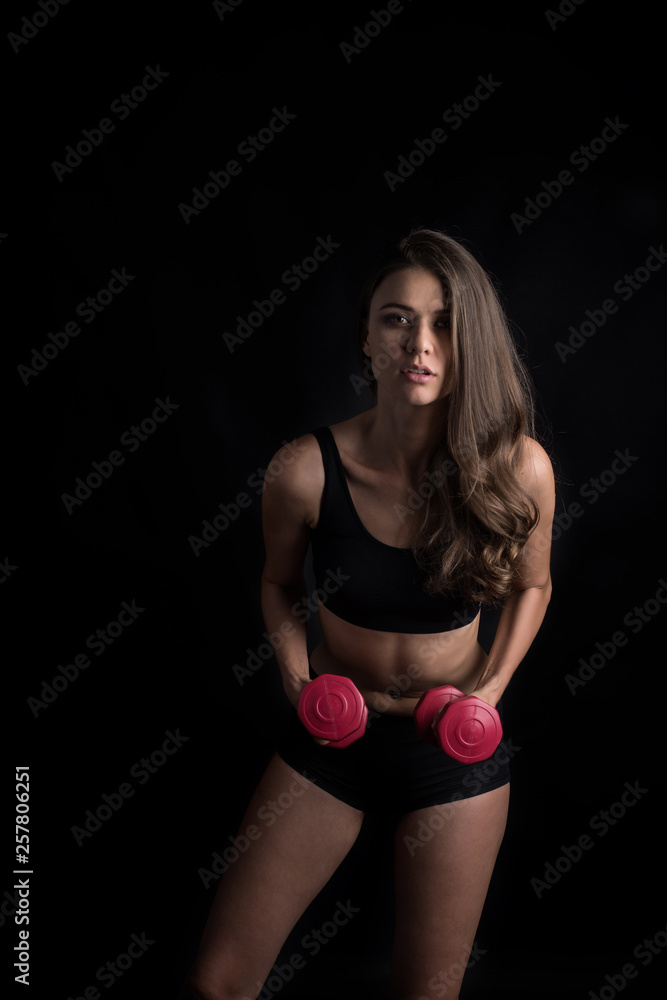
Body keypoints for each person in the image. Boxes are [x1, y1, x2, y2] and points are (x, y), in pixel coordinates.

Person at [179, 228, 556, 1000]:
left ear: (469, 339)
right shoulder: (305, 468)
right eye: (396, 317)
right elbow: (278, 585)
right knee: (218, 984)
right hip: (331, 738)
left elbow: (532, 586)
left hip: (450, 748)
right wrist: (295, 677)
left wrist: (489, 693)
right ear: (365, 334)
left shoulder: (519, 467)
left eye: (443, 322)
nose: (419, 343)